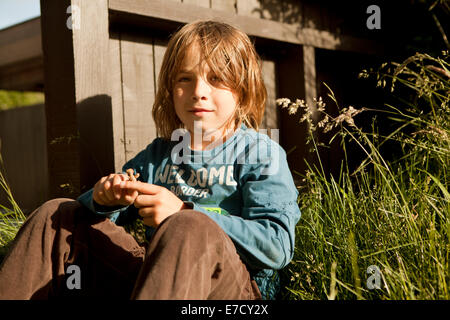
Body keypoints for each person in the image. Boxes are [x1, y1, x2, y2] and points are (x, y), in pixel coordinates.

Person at [0, 20, 301, 300]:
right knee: (59, 214)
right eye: (185, 78)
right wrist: (106, 198)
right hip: (158, 282)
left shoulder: (261, 153)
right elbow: (103, 216)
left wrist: (182, 212)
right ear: (170, 90)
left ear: (243, 89)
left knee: (188, 226)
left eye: (217, 79)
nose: (199, 92)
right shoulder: (160, 154)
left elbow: (277, 246)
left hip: (234, 292)